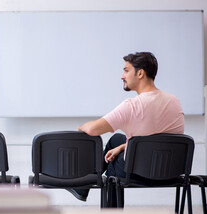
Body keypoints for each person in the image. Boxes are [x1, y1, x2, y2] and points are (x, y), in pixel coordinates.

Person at [67, 52, 184, 202]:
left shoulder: (133, 106)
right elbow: (158, 138)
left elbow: (93, 130)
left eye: (126, 70)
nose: (122, 76)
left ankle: (107, 212)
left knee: (113, 163)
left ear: (140, 73)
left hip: (140, 172)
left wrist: (81, 127)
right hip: (171, 170)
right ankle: (82, 188)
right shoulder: (174, 102)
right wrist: (124, 146)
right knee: (116, 140)